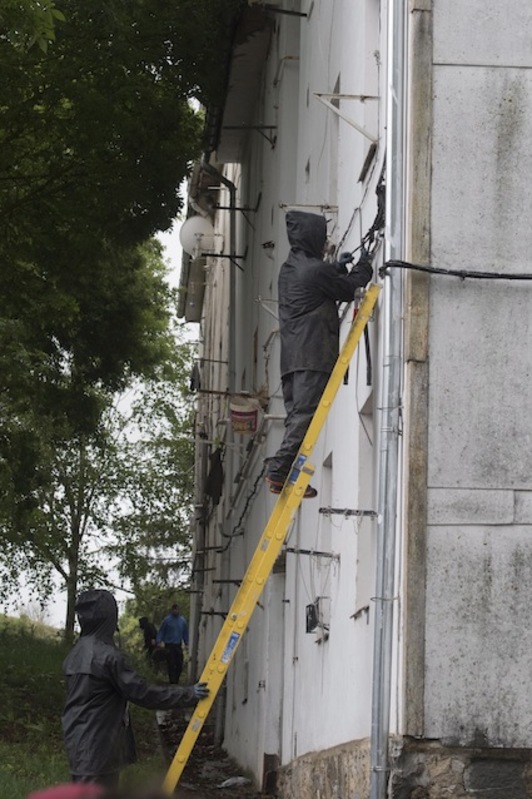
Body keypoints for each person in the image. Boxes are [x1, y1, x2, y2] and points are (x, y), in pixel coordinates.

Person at [265, 210, 374, 498]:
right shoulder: (313, 270)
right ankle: (278, 469)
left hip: (292, 359)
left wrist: (336, 268)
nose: (325, 241)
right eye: (322, 236)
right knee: (304, 417)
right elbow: (349, 289)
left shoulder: (290, 268)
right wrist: (364, 266)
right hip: (312, 354)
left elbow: (320, 281)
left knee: (297, 418)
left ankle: (285, 475)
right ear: (311, 236)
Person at [62, 589, 209, 788]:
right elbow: (144, 694)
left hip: (78, 743)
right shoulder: (109, 657)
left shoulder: (75, 654)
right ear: (109, 617)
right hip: (99, 748)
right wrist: (188, 694)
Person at [156, 604, 188, 685]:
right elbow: (161, 631)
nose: (175, 611)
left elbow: (185, 633)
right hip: (169, 645)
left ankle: (176, 680)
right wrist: (159, 641)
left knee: (179, 664)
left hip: (178, 645)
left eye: (177, 610)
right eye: (174, 610)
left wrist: (187, 643)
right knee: (171, 664)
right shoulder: (167, 620)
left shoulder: (182, 621)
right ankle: (172, 682)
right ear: (172, 610)